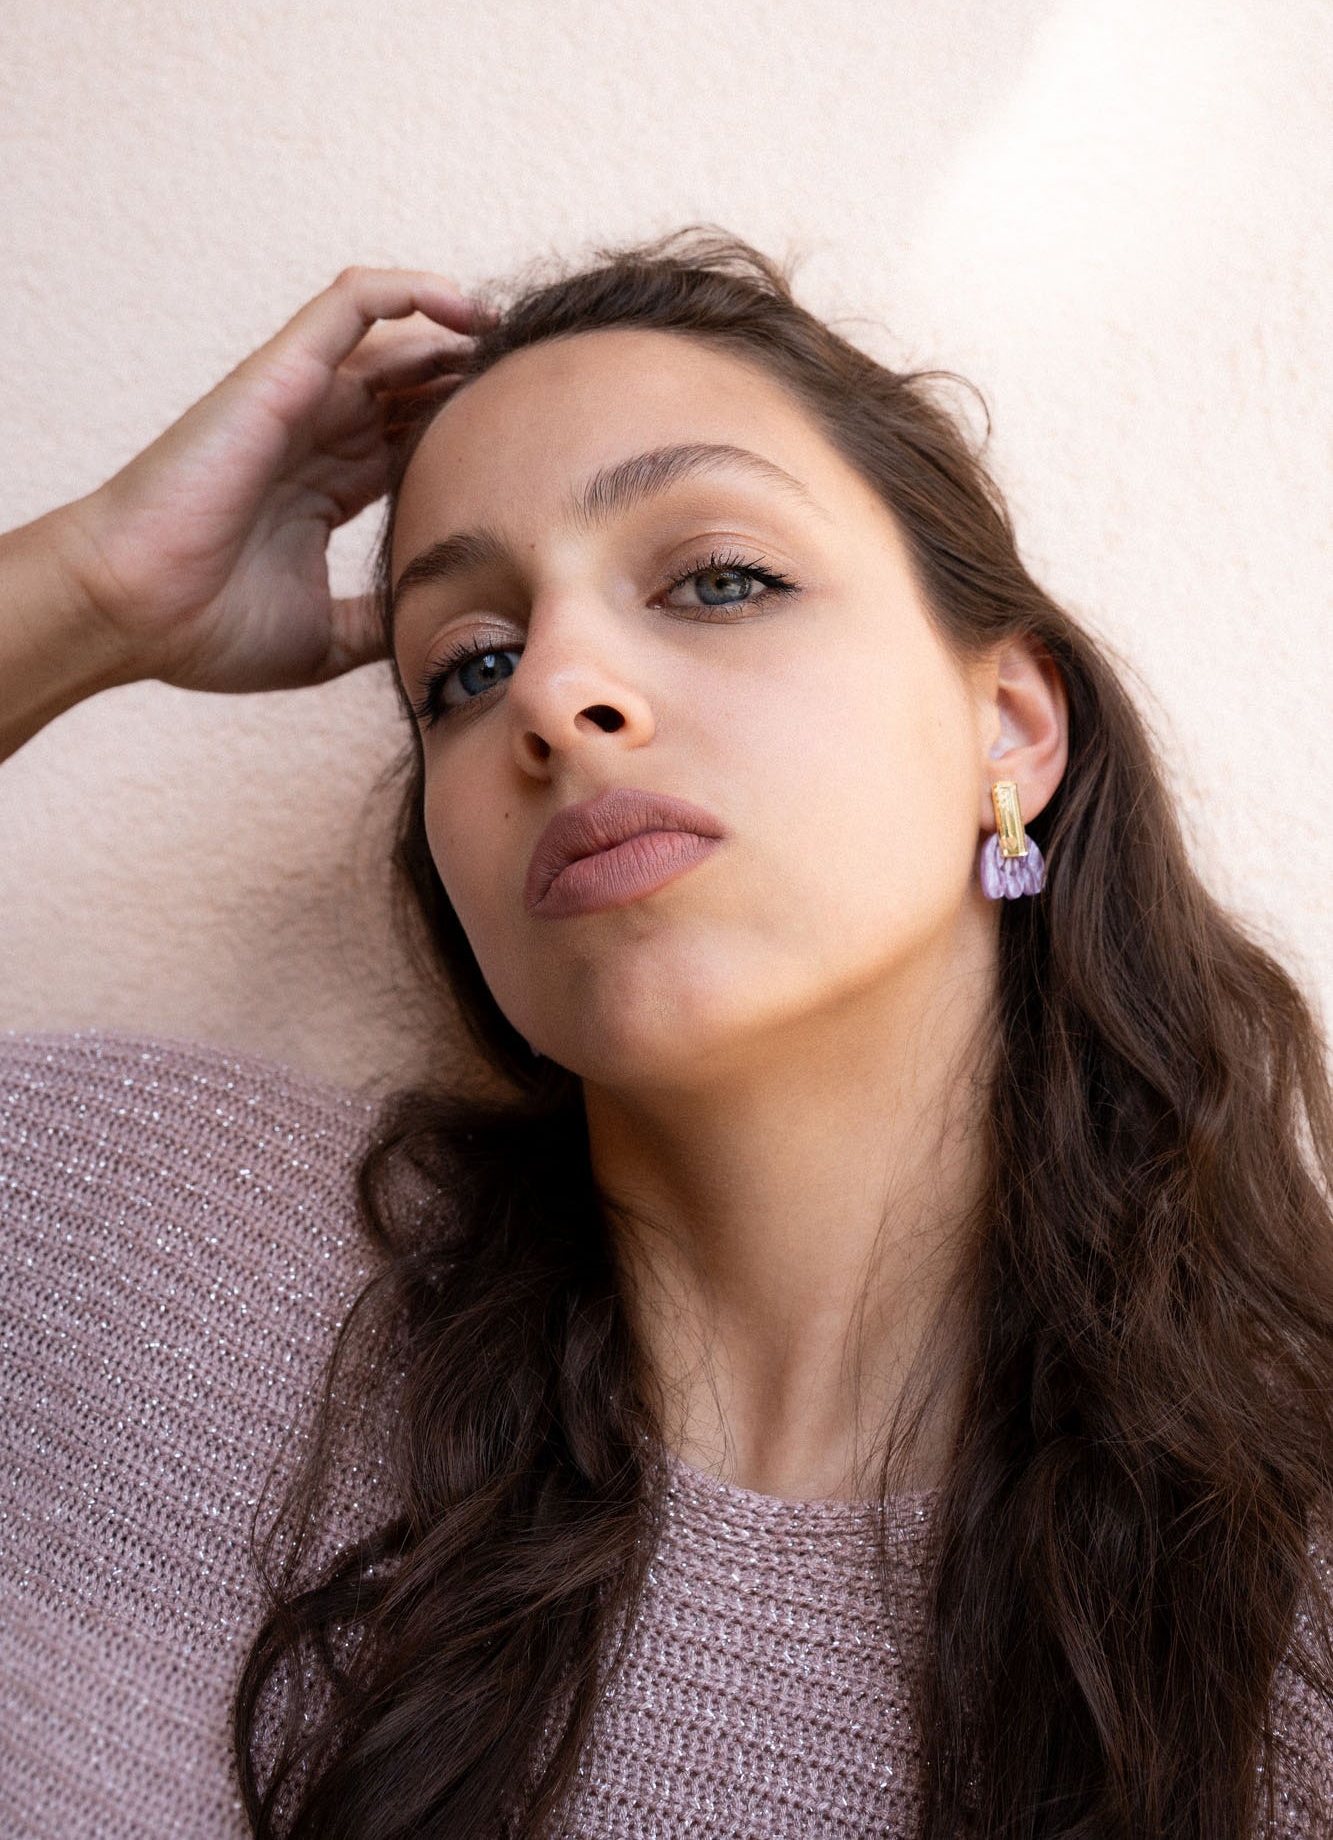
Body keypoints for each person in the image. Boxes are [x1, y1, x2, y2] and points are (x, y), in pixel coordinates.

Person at [2, 230, 1332, 1840]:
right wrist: (86, 592)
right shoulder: (127, 1237)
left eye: (717, 579)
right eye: (467, 668)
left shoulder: (1290, 1597)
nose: (556, 693)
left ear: (1010, 722)